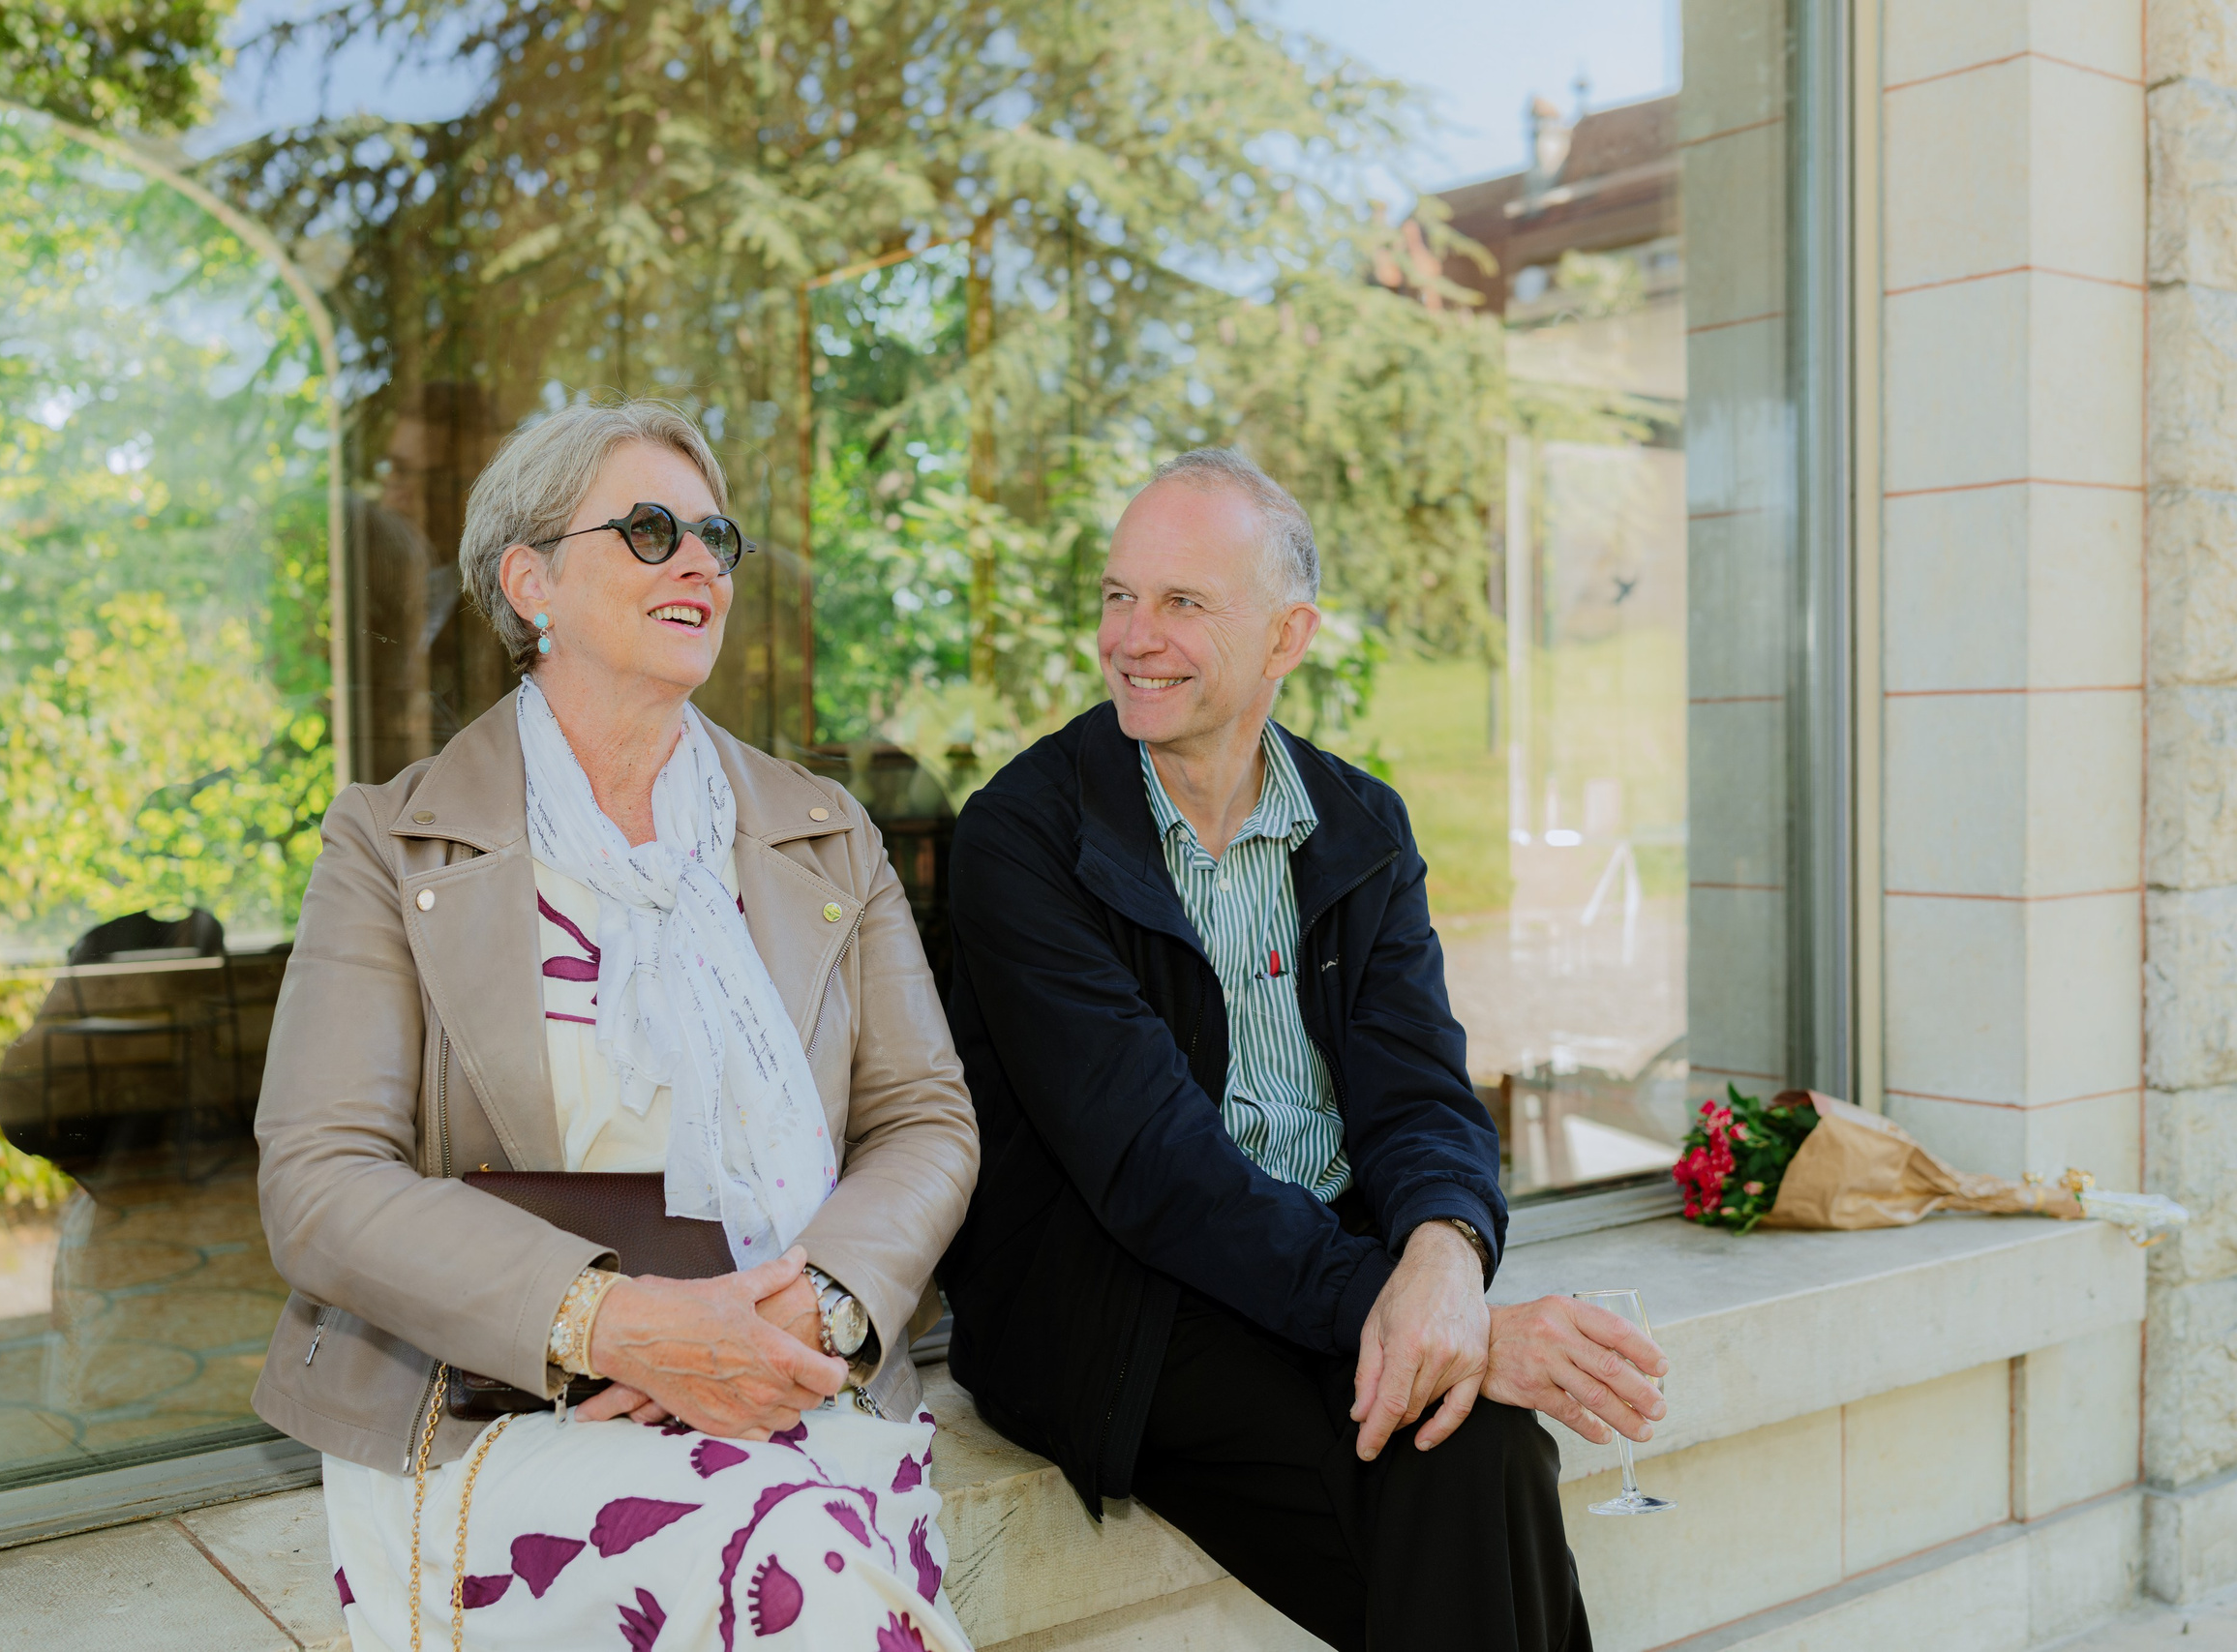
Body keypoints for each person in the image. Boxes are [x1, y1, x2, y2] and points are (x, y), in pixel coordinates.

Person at [250, 399, 982, 1652]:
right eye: (649, 530)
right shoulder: (393, 841)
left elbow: (924, 1119)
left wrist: (808, 1305)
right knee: (796, 1558)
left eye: (716, 537)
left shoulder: (822, 833)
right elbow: (319, 1180)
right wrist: (613, 1325)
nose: (700, 561)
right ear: (529, 581)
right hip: (509, 1421)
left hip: (795, 1387)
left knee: (806, 1540)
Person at [937, 449, 1668, 1652]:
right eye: (1119, 595)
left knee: (1474, 1451)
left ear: (1288, 636)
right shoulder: (1023, 837)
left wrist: (1444, 1253)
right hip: (1121, 1305)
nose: (1132, 637)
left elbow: (1421, 1093)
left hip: (1324, 1266)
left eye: (1182, 602)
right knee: (1465, 1452)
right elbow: (1151, 1165)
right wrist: (1440, 1323)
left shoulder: (1359, 825)